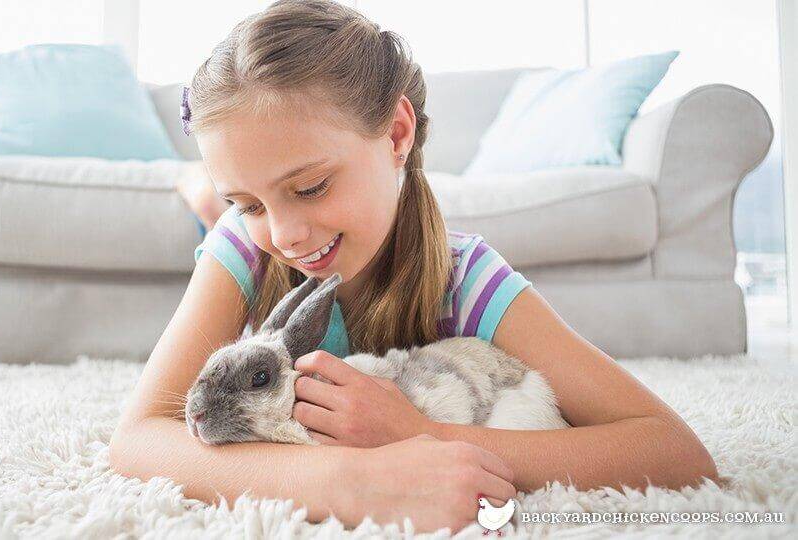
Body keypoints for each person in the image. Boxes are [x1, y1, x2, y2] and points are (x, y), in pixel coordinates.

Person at [109, 0, 719, 533]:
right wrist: (350, 480)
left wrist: (419, 433)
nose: (286, 235)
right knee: (214, 215)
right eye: (250, 202)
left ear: (398, 132)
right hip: (228, 242)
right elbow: (138, 438)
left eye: (312, 186)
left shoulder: (468, 277)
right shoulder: (244, 247)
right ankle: (205, 192)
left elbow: (675, 451)